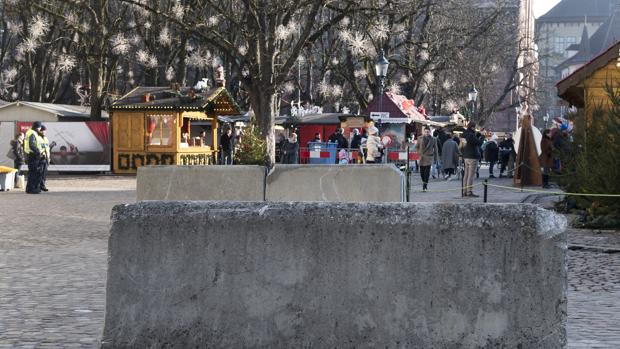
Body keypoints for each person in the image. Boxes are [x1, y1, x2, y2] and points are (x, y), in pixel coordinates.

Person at [462, 122, 482, 197]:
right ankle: (469, 191)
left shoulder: (465, 134)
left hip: (466, 156)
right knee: (471, 175)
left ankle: (464, 191)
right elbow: (479, 143)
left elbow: (471, 142)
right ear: (472, 127)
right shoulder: (470, 135)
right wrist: (482, 136)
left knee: (466, 175)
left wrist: (477, 135)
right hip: (472, 157)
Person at [24, 121, 44, 194]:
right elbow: (31, 145)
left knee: (31, 172)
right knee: (33, 172)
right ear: (37, 127)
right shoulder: (32, 133)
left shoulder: (29, 132)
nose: (40, 129)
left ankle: (29, 188)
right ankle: (32, 189)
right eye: (40, 127)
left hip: (30, 154)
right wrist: (38, 152)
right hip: (33, 155)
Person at [418, 126, 438, 192]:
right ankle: (424, 182)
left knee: (427, 172)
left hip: (429, 157)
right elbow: (417, 147)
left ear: (430, 132)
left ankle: (425, 185)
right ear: (424, 132)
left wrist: (436, 158)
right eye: (425, 132)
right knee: (422, 173)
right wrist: (418, 153)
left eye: (428, 132)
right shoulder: (419, 138)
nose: (427, 133)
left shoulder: (433, 139)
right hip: (421, 157)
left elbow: (436, 149)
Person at [38, 125, 50, 191]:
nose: (44, 132)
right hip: (41, 157)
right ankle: (40, 185)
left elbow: (47, 148)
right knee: (40, 172)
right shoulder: (38, 138)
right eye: (43, 131)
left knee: (44, 173)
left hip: (46, 158)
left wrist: (48, 157)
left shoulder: (45, 138)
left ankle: (42, 185)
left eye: (45, 131)